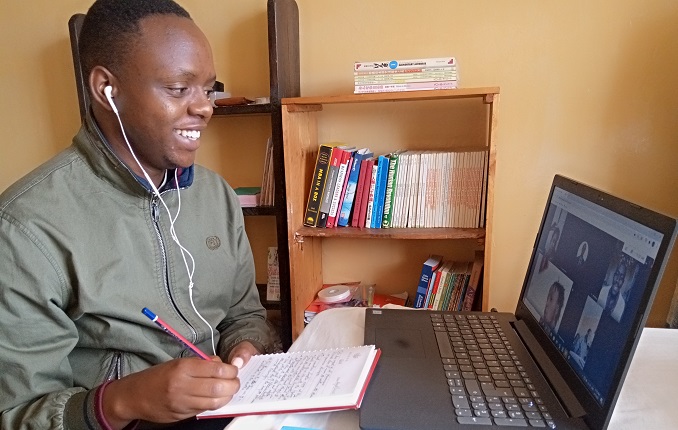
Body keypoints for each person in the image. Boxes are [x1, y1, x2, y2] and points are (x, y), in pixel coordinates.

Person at [0, 1, 273, 429]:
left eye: (208, 88)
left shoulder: (215, 195)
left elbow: (245, 315)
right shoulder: (23, 229)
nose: (204, 108)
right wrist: (124, 401)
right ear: (107, 88)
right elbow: (18, 415)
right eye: (179, 89)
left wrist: (246, 348)